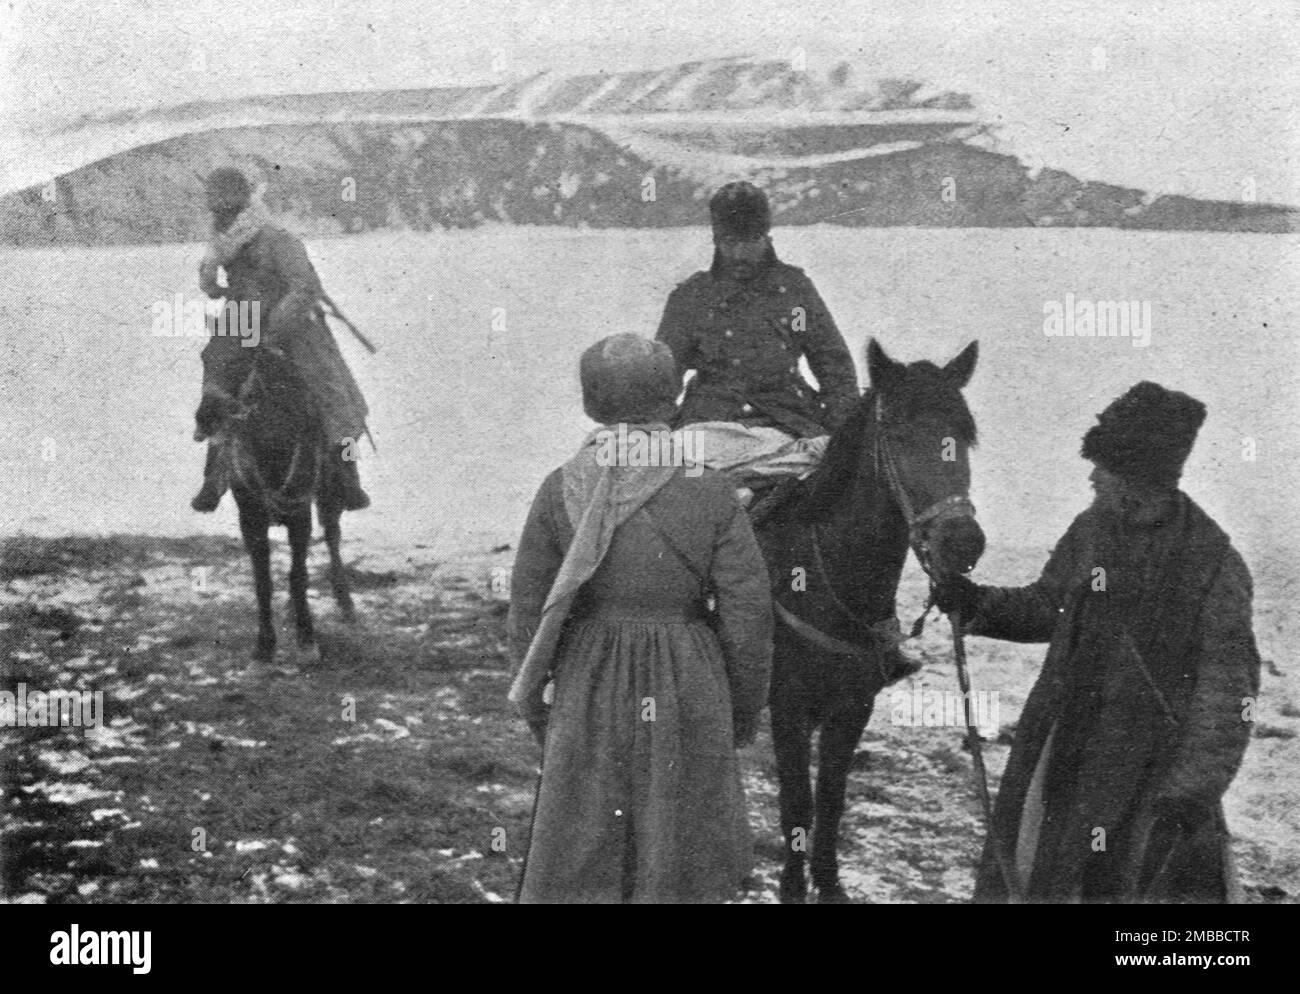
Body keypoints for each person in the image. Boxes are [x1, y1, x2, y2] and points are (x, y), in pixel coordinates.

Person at [934, 382, 1261, 903]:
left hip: (1150, 779)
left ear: (1136, 479)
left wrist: (1189, 792)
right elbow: (1047, 606)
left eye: (1102, 467)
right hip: (1064, 746)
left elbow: (1228, 696)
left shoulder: (1212, 564)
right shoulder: (1092, 530)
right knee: (1041, 879)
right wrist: (975, 602)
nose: (1091, 477)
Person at [507, 333, 773, 903]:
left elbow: (530, 607)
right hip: (688, 677)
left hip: (588, 678)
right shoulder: (710, 489)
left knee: (584, 840)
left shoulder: (560, 488)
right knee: (680, 840)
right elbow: (748, 615)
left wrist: (536, 702)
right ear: (674, 398)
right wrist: (741, 708)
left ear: (589, 404)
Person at [655, 180, 859, 506]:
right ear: (716, 241)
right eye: (729, 242)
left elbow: (833, 366)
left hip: (787, 422)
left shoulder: (794, 293)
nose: (739, 253)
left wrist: (840, 429)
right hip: (710, 425)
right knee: (674, 474)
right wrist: (660, 432)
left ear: (767, 237)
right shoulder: (691, 298)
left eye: (750, 241)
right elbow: (662, 381)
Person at [191, 167, 370, 512]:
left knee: (335, 396)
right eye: (217, 210)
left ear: (243, 207)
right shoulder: (223, 246)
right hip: (242, 324)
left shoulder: (278, 239)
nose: (221, 216)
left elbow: (305, 287)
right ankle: (214, 474)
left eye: (228, 210)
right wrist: (211, 278)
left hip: (292, 328)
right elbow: (217, 288)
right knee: (219, 380)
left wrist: (272, 328)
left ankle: (348, 474)